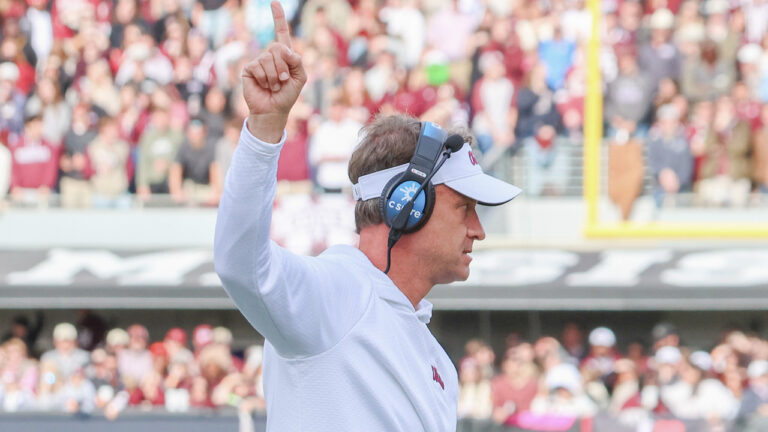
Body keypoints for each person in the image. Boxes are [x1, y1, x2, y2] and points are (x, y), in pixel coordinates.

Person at [213, 3, 521, 431]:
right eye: (464, 207)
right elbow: (240, 265)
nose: (478, 230)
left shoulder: (440, 367)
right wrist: (266, 128)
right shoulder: (337, 293)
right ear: (408, 204)